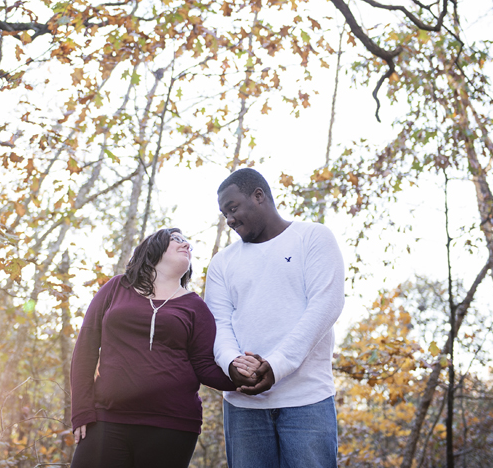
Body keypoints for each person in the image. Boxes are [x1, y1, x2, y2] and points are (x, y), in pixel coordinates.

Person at [69, 228, 259, 468]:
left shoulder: (195, 306)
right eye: (177, 240)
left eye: (188, 243)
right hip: (107, 418)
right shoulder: (117, 288)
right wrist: (81, 411)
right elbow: (85, 348)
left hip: (172, 425)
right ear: (153, 248)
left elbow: (203, 365)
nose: (186, 245)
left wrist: (244, 377)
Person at [205, 168, 346, 468]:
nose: (228, 220)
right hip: (244, 406)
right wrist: (232, 364)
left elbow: (326, 305)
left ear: (259, 196)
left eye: (232, 209)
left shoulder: (313, 237)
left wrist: (277, 365)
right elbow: (218, 323)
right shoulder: (222, 263)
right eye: (224, 214)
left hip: (307, 401)